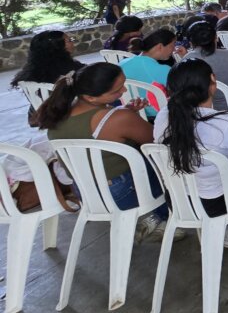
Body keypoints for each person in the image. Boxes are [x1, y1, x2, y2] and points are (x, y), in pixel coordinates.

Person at [37, 63, 173, 241]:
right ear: (91, 97)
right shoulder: (118, 118)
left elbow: (98, 131)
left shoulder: (56, 115)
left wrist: (124, 114)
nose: (124, 90)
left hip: (85, 192)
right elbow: (157, 142)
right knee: (163, 160)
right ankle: (160, 217)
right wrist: (129, 117)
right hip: (122, 192)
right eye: (117, 90)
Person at [153, 60, 228, 249]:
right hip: (219, 202)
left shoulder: (163, 116)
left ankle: (217, 230)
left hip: (178, 200)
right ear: (213, 81)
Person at [120, 28, 177, 117]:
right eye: (173, 45)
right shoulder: (164, 70)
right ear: (160, 46)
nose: (174, 49)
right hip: (159, 116)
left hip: (132, 114)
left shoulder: (122, 63)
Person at [12, 30, 83, 86]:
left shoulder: (32, 70)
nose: (73, 42)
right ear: (58, 47)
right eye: (69, 40)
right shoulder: (69, 69)